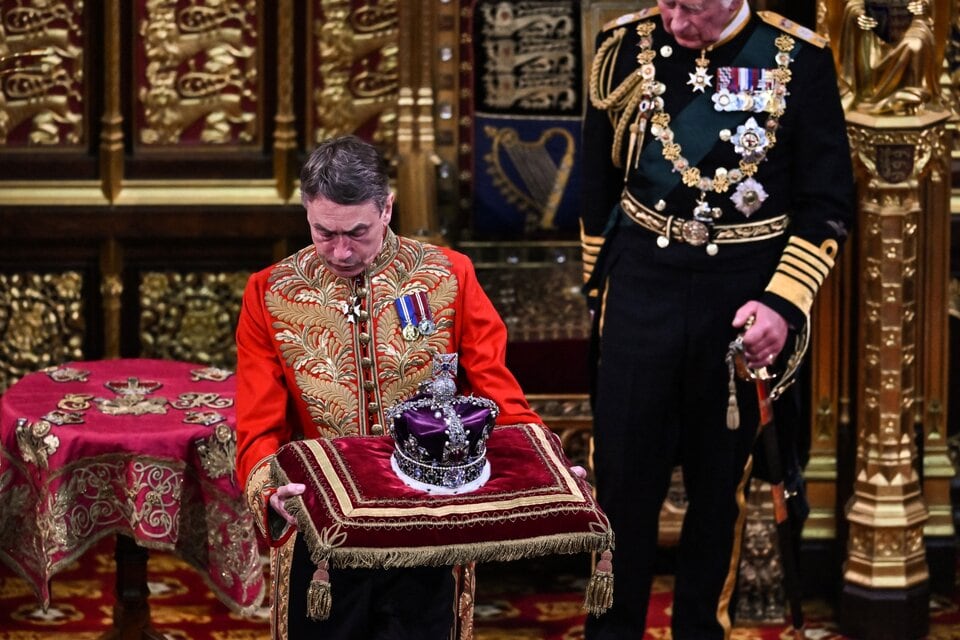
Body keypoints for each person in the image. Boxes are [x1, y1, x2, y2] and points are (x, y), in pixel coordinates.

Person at [580, 1, 854, 638]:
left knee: (718, 495)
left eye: (692, 5)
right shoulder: (623, 46)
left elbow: (826, 203)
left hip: (741, 302)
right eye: (667, 1)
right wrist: (601, 293)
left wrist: (783, 304)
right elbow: (598, 188)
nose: (674, 20)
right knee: (620, 488)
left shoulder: (799, 59)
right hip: (642, 291)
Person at [235, 134, 544, 640]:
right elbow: (258, 423)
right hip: (323, 529)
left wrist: (541, 461)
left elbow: (497, 392)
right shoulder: (269, 293)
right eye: (322, 232)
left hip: (431, 522)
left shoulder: (449, 276)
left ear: (387, 208)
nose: (339, 250)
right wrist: (268, 487)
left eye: (356, 232)